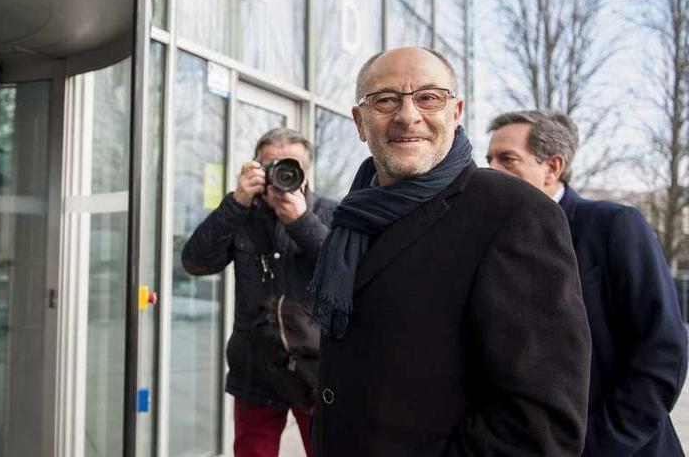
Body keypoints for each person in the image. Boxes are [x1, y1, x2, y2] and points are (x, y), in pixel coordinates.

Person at [309, 47, 592, 456]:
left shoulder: (514, 213)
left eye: (429, 97)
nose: (408, 115)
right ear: (359, 121)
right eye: (386, 99)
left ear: (455, 112)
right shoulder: (354, 214)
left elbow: (539, 424)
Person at [487, 110, 688, 456]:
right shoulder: (490, 241)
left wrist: (596, 446)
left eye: (507, 159)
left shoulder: (614, 226)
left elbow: (662, 353)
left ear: (552, 167)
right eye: (488, 159)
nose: (490, 170)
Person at [181, 128, 336, 457]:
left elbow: (345, 275)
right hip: (255, 368)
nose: (281, 174)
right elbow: (195, 262)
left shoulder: (329, 213)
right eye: (271, 166)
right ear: (257, 169)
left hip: (316, 369)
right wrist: (235, 202)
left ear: (306, 172)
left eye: (290, 165)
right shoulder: (243, 214)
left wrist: (300, 221)